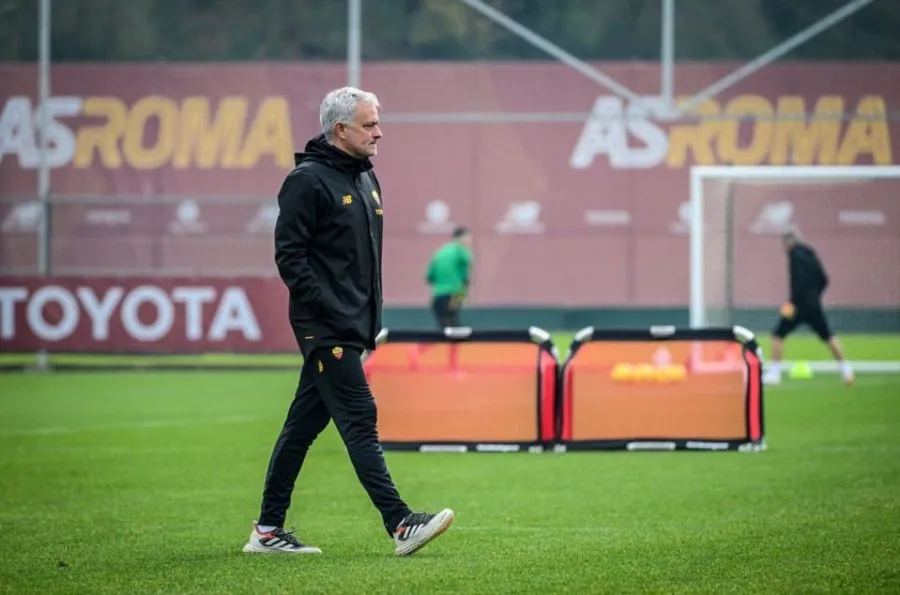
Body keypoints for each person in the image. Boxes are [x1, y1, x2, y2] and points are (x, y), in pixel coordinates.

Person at [243, 87, 454, 557]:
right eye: (369, 124)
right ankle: (400, 523)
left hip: (352, 327)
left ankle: (267, 531)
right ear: (340, 130)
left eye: (377, 122)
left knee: (300, 429)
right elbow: (289, 256)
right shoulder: (307, 181)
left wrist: (365, 315)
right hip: (326, 327)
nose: (379, 132)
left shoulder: (365, 178)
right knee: (360, 420)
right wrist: (331, 310)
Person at [763, 229, 854, 386]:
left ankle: (774, 375)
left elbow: (799, 282)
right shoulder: (811, 255)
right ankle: (846, 371)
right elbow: (824, 279)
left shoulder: (795, 257)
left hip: (797, 305)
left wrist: (792, 302)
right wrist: (815, 296)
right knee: (828, 336)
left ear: (789, 242)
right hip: (814, 305)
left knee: (777, 335)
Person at [425, 225, 474, 329]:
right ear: (461, 237)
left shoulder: (440, 252)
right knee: (454, 324)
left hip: (437, 296)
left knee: (443, 327)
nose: (469, 241)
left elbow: (429, 277)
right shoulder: (461, 250)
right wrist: (462, 296)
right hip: (454, 294)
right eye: (468, 237)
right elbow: (466, 276)